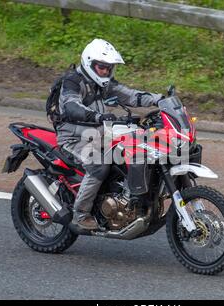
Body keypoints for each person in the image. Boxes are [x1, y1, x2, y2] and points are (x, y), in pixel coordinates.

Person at [55, 38, 163, 230]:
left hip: (98, 133)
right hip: (72, 136)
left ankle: (128, 201)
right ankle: (80, 213)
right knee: (99, 164)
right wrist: (98, 116)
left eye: (108, 67)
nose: (105, 71)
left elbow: (130, 95)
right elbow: (71, 107)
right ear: (89, 63)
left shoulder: (104, 84)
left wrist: (161, 100)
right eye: (101, 67)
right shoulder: (72, 81)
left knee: (135, 147)